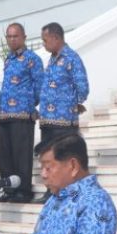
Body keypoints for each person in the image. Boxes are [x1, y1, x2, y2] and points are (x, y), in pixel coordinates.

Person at [33, 22, 89, 203]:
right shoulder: (52, 59)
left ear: (56, 38)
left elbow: (83, 87)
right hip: (48, 121)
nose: (44, 44)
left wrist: (74, 104)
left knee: (63, 158)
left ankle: (69, 192)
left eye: (46, 40)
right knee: (48, 158)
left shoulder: (72, 58)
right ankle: (51, 191)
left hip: (63, 121)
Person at [0, 23, 44, 203]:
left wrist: (29, 103)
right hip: (6, 114)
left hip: (23, 114)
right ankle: (9, 189)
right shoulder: (8, 59)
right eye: (9, 36)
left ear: (24, 37)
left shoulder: (32, 59)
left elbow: (40, 86)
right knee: (6, 156)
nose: (12, 39)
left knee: (21, 155)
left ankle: (24, 191)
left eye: (15, 36)